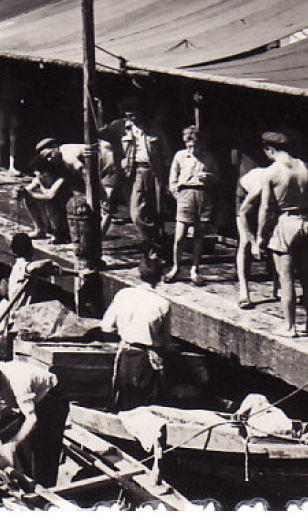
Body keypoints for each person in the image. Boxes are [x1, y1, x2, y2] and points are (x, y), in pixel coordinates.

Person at [0, 357, 69, 487]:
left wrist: (13, 443)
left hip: (52, 399)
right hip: (32, 403)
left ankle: (45, 490)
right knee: (24, 447)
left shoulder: (18, 380)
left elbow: (32, 419)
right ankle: (27, 482)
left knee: (44, 448)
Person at [257, 131, 308, 337]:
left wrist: (260, 237)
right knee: (307, 277)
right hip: (306, 221)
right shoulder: (306, 168)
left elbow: (265, 208)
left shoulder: (272, 172)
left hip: (286, 222)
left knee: (286, 278)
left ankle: (289, 326)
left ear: (269, 149)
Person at [100, 256, 173, 409]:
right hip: (147, 359)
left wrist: (125, 328)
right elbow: (165, 340)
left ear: (139, 274)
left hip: (125, 355)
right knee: (146, 404)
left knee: (123, 399)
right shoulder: (163, 303)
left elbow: (106, 326)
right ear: (160, 278)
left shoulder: (123, 294)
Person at [103, 98, 172, 253]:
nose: (131, 119)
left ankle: (157, 245)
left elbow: (167, 152)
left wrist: (169, 177)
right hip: (133, 173)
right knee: (136, 213)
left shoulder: (154, 128)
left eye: (133, 115)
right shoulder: (120, 127)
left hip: (154, 172)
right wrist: (99, 110)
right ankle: (151, 240)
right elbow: (101, 132)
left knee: (157, 211)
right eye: (128, 115)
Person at [168, 126, 220, 284]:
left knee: (198, 236)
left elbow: (218, 179)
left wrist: (209, 178)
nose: (192, 149)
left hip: (203, 195)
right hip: (185, 195)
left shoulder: (209, 157)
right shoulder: (180, 156)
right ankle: (176, 267)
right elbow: (172, 180)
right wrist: (177, 195)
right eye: (188, 145)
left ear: (201, 143)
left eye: (195, 145)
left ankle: (194, 270)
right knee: (180, 236)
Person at [233, 153, 274, 310]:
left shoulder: (280, 186)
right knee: (244, 243)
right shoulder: (260, 187)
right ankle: (244, 290)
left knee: (273, 239)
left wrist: (263, 238)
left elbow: (269, 214)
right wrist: (254, 242)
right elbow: (243, 213)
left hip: (265, 204)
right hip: (245, 198)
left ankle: (278, 287)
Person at [18, 149, 72, 245]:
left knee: (51, 203)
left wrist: (30, 194)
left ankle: (58, 234)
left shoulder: (60, 181)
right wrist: (21, 191)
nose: (36, 174)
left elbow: (50, 196)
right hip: (52, 216)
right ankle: (39, 229)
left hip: (65, 219)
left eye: (38, 172)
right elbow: (27, 190)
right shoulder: (39, 179)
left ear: (45, 172)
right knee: (28, 200)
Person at [0, 63, 27, 173]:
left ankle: (12, 166)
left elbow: (22, 93)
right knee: (2, 139)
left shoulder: (17, 79)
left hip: (13, 107)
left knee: (13, 138)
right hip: (1, 108)